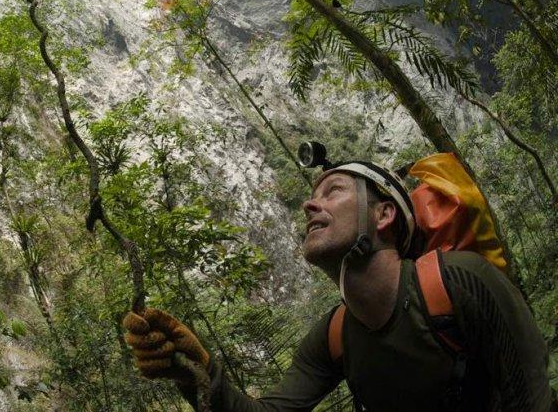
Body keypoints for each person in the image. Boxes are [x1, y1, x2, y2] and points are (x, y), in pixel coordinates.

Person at [122, 157, 555, 411]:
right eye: (314, 196)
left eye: (334, 191)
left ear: (384, 215)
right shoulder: (333, 337)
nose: (311, 203)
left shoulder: (459, 280)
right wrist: (195, 374)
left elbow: (531, 394)